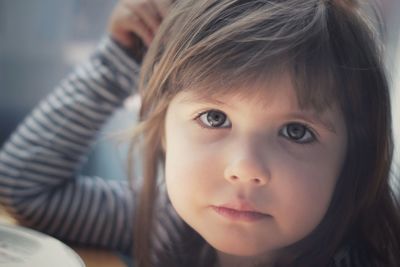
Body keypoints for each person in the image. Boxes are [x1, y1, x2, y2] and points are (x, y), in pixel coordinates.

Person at [1, 0, 400, 266]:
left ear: (353, 158)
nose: (244, 169)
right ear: (163, 126)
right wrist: (120, 59)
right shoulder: (163, 225)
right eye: (213, 118)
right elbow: (22, 187)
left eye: (296, 131)